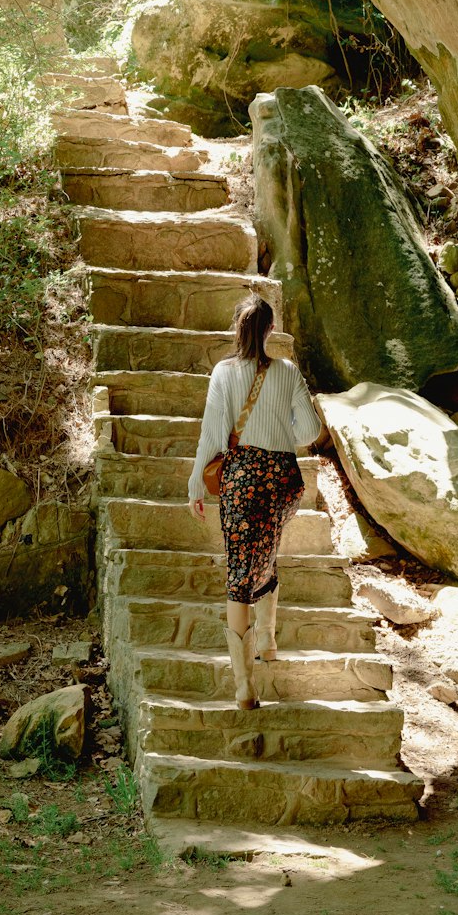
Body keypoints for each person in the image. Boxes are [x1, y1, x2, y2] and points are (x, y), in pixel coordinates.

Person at [187, 293, 321, 710]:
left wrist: (197, 482)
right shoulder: (288, 372)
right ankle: (266, 637)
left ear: (239, 329)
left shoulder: (224, 373)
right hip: (283, 478)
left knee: (239, 571)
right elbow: (311, 430)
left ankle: (244, 685)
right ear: (268, 330)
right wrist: (281, 435)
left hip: (243, 477)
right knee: (263, 548)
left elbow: (214, 433)